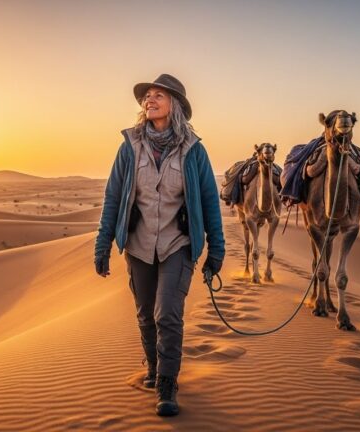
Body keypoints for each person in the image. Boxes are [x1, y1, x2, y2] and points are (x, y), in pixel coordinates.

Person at [94, 73, 225, 417]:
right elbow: (113, 197)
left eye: (158, 96)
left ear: (175, 105)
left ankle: (167, 384)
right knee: (145, 315)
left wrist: (217, 249)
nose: (149, 100)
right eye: (147, 96)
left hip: (177, 244)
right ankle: (153, 368)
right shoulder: (130, 146)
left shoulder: (193, 150)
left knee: (167, 313)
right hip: (138, 245)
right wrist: (102, 245)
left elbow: (209, 201)